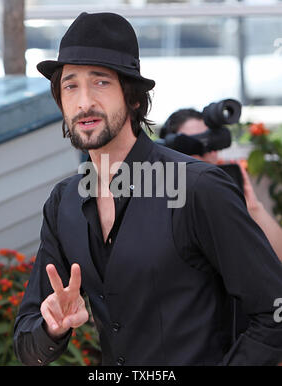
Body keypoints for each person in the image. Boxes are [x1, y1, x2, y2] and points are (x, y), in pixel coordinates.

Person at [14, 12, 282, 366]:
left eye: (101, 82)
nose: (84, 102)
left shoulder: (197, 187)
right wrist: (52, 329)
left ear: (135, 97)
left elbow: (274, 312)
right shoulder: (63, 203)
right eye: (70, 85)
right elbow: (26, 342)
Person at [161, 108, 282, 261]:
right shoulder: (161, 204)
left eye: (211, 143)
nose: (207, 152)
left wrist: (253, 208)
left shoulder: (226, 189)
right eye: (193, 145)